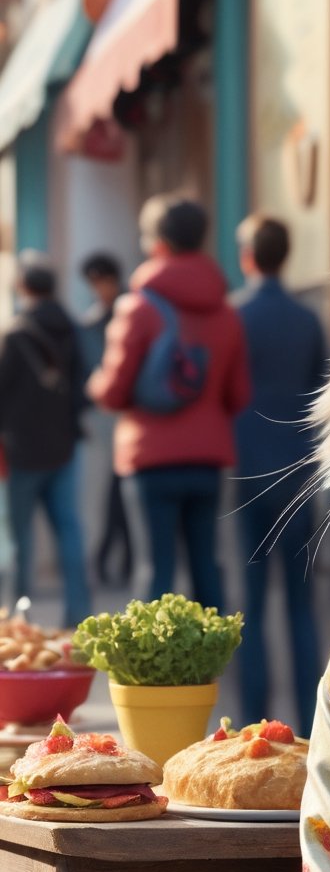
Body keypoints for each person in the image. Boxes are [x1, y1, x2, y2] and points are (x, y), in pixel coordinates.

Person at [88, 195, 250, 612]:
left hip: (149, 459)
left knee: (153, 570)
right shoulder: (226, 312)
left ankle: (152, 676)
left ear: (158, 242)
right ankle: (214, 669)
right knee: (206, 567)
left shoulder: (137, 307)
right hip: (208, 461)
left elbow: (114, 391)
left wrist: (96, 384)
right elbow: (238, 396)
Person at [232, 213, 327, 735]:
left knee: (250, 601)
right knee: (300, 602)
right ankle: (313, 725)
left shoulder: (235, 316)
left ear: (247, 257)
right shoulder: (306, 319)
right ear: (285, 255)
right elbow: (320, 396)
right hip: (295, 473)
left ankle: (251, 721)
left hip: (244, 473)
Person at [0, 251, 91, 625]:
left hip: (20, 451)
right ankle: (78, 611)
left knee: (20, 538)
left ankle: (19, 615)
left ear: (22, 286)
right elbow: (85, 389)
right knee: (68, 529)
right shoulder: (73, 327)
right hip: (64, 447)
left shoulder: (14, 333)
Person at [79, 252, 133, 587]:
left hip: (130, 420)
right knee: (112, 497)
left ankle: (113, 560)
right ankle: (107, 560)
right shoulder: (89, 324)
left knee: (120, 497)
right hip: (105, 423)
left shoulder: (131, 311)